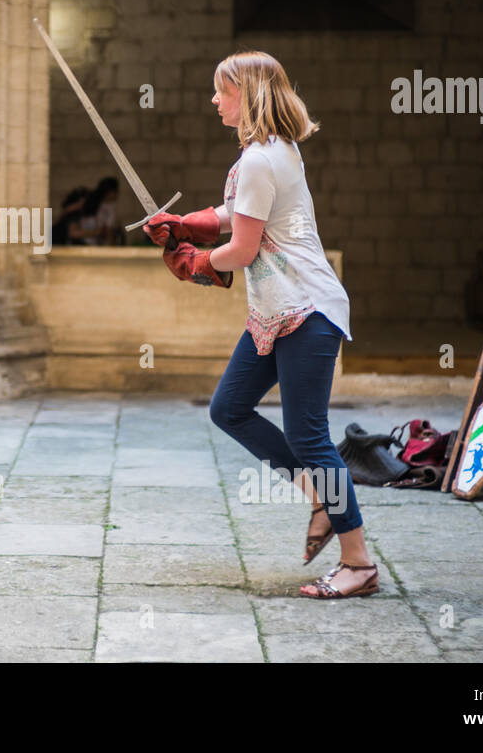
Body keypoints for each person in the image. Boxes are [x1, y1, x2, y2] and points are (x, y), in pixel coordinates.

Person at [144, 52, 375, 599]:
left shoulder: (261, 158)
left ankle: (359, 563)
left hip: (307, 309)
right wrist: (186, 224)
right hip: (276, 312)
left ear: (246, 95)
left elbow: (242, 249)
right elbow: (234, 215)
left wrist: (195, 263)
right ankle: (318, 497)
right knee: (229, 409)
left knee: (310, 438)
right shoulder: (269, 151)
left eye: (221, 91)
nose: (214, 100)